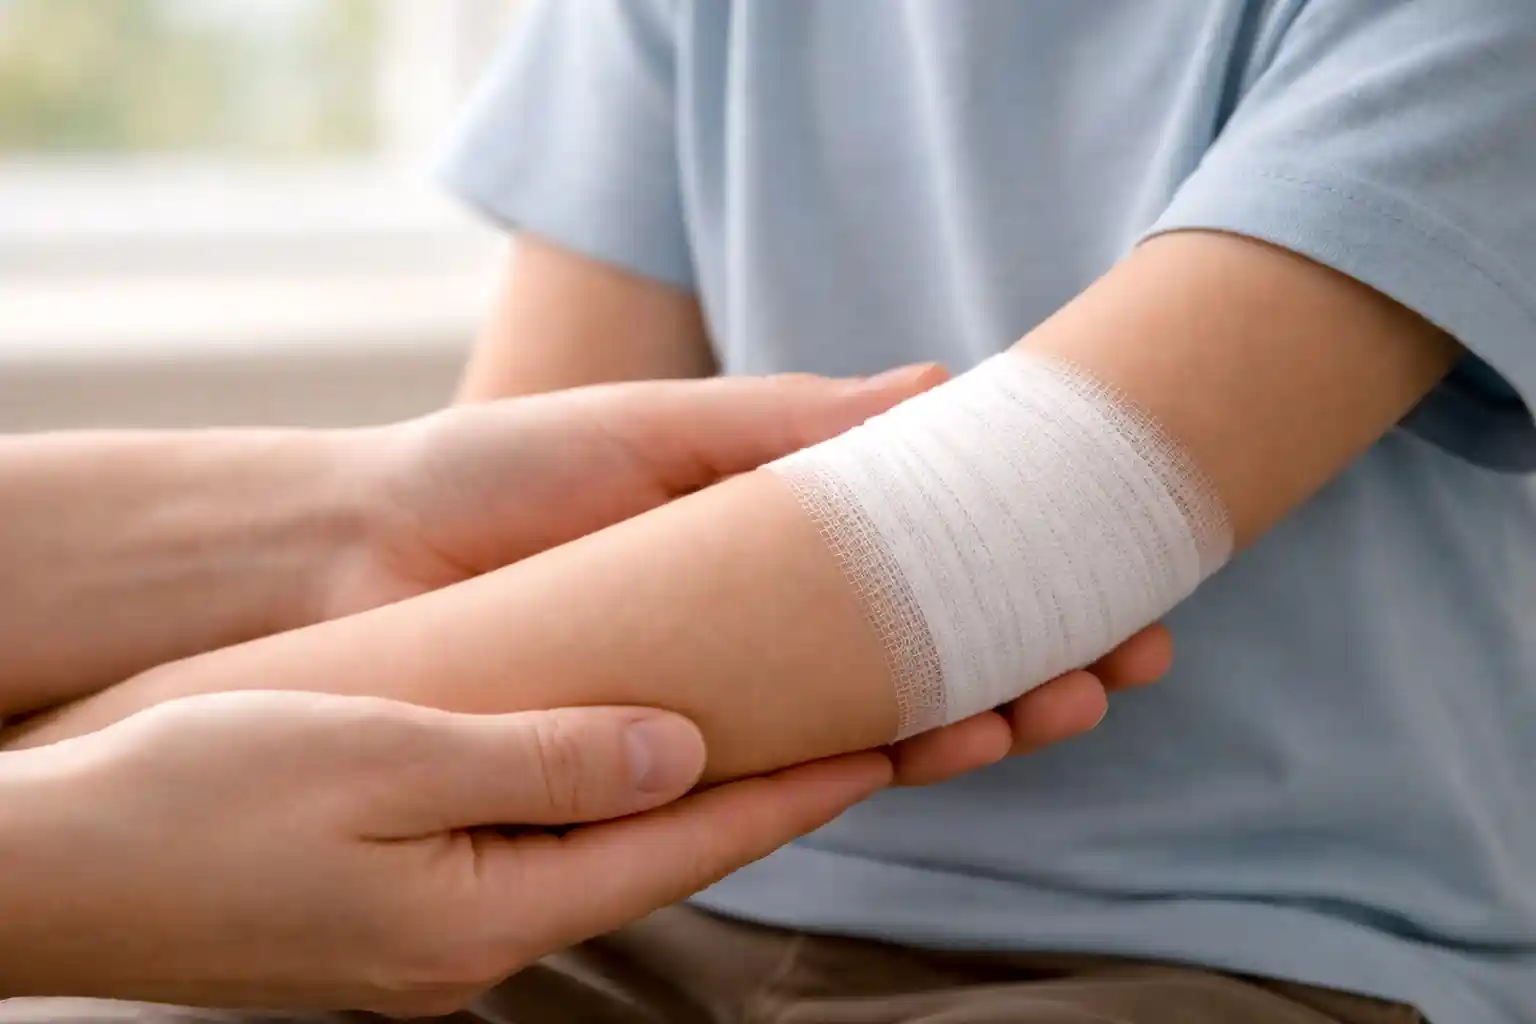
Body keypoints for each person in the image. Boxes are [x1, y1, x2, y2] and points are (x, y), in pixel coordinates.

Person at [7, 1, 1534, 1022]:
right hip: (615, 902)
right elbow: (521, 550)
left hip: (1225, 945)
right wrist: (93, 820)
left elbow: (1023, 522)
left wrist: (89, 794)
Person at [0, 373, 1167, 1013]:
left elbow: (1040, 512)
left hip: (1158, 955)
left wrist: (348, 518)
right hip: (621, 930)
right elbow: (1001, 530)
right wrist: (77, 831)